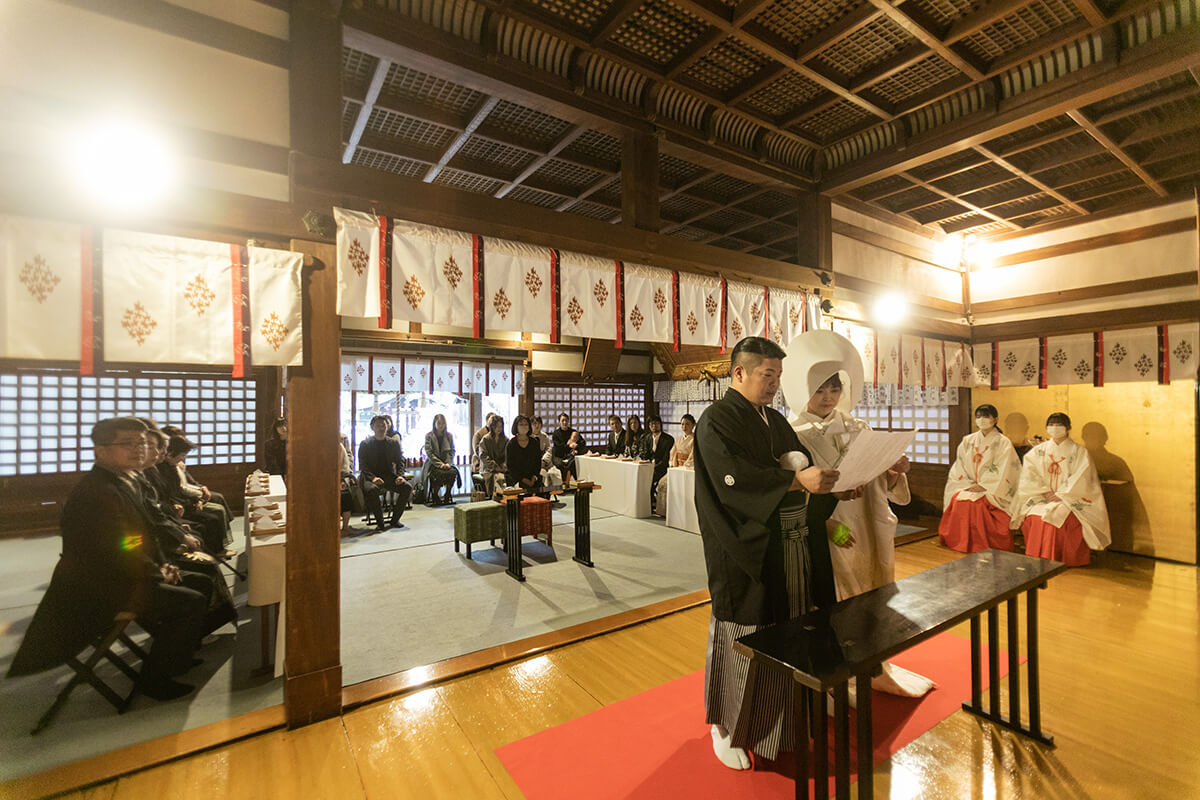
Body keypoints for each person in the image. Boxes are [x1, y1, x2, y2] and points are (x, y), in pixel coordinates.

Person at [695, 336, 842, 770]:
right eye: (767, 374)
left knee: (789, 629)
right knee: (746, 633)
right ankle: (726, 726)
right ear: (739, 372)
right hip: (744, 549)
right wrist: (796, 482)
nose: (775, 383)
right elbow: (733, 480)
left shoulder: (774, 420)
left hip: (788, 544)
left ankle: (780, 723)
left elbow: (803, 466)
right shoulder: (716, 420)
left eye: (778, 375)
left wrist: (832, 487)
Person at [8, 418, 208, 700]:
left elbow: (136, 538)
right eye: (127, 443)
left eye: (142, 442)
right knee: (191, 600)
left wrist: (162, 564)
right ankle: (155, 680)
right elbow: (117, 547)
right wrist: (157, 572)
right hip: (99, 587)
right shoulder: (97, 492)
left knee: (199, 581)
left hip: (123, 573)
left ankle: (177, 656)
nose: (139, 449)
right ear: (100, 450)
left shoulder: (124, 479)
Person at [783, 329, 933, 700]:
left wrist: (894, 470)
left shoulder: (858, 426)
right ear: (803, 389)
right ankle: (839, 669)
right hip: (829, 531)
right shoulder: (791, 434)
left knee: (875, 591)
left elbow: (881, 480)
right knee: (837, 601)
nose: (828, 397)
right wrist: (825, 524)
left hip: (868, 523)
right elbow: (792, 491)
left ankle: (874, 666)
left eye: (834, 389)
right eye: (820, 390)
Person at [1012, 413, 1110, 566]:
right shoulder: (1038, 451)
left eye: (1059, 425)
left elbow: (1082, 478)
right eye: (1052, 425)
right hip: (1042, 496)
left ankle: (1059, 558)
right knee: (1034, 514)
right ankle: (1037, 555)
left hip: (1070, 498)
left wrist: (1062, 495)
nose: (1055, 428)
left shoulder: (1079, 452)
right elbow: (1030, 474)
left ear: (1068, 428)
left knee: (1055, 516)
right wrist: (1045, 491)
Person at [940, 404, 1022, 553]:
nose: (981, 419)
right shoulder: (968, 440)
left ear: (995, 419)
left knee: (976, 503)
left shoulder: (1003, 442)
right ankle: (960, 541)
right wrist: (967, 484)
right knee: (960, 499)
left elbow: (1005, 468)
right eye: (978, 416)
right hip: (968, 484)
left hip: (992, 488)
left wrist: (984, 485)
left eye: (986, 416)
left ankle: (981, 544)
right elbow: (959, 466)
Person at [358, 414, 413, 531]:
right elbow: (363, 466)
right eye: (378, 425)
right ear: (372, 427)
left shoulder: (393, 443)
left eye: (383, 425)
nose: (381, 428)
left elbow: (400, 461)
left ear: (387, 427)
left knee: (407, 487)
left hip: (388, 475)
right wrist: (373, 478)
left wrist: (400, 476)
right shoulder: (365, 444)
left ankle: (395, 520)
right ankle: (380, 523)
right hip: (370, 477)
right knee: (372, 489)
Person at [653, 414, 695, 517]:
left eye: (687, 424)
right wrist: (672, 465)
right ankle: (664, 511)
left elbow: (692, 456)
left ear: (693, 425)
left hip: (688, 469)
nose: (684, 427)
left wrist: (684, 466)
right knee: (662, 483)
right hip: (676, 468)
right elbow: (673, 454)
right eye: (682, 424)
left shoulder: (695, 440)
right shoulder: (678, 439)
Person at [420, 414, 459, 506]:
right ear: (434, 424)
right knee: (438, 474)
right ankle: (435, 494)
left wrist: (448, 463)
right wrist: (440, 464)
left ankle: (447, 494)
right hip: (433, 463)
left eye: (443, 423)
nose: (441, 426)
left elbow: (452, 451)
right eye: (439, 423)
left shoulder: (449, 435)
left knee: (453, 473)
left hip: (447, 462)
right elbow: (429, 453)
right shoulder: (429, 436)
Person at [640, 415, 674, 511]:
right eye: (652, 424)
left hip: (662, 468)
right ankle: (645, 504)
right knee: (640, 478)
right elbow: (645, 454)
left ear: (660, 425)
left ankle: (651, 503)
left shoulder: (668, 439)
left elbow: (666, 459)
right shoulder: (647, 438)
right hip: (648, 467)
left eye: (656, 423)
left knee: (648, 479)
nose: (654, 426)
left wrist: (654, 468)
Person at [505, 415, 544, 494]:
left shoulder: (534, 442)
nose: (524, 427)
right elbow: (510, 466)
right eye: (521, 424)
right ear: (516, 427)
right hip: (516, 478)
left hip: (532, 477)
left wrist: (533, 477)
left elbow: (538, 463)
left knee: (543, 492)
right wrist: (523, 479)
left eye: (526, 424)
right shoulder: (511, 444)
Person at [477, 414, 509, 496]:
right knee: (495, 478)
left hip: (502, 467)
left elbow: (508, 455)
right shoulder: (485, 439)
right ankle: (494, 496)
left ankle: (507, 496)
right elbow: (483, 456)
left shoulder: (505, 439)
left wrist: (504, 466)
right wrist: (494, 466)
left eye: (500, 426)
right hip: (488, 468)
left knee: (508, 476)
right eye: (496, 426)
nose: (499, 429)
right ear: (492, 427)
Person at [551, 413, 585, 484]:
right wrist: (569, 446)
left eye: (566, 420)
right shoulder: (556, 433)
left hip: (570, 455)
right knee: (561, 464)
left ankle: (576, 483)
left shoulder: (573, 432)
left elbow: (583, 443)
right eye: (562, 420)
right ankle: (564, 483)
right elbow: (558, 447)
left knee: (574, 462)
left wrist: (576, 447)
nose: (565, 422)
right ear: (559, 422)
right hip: (559, 455)